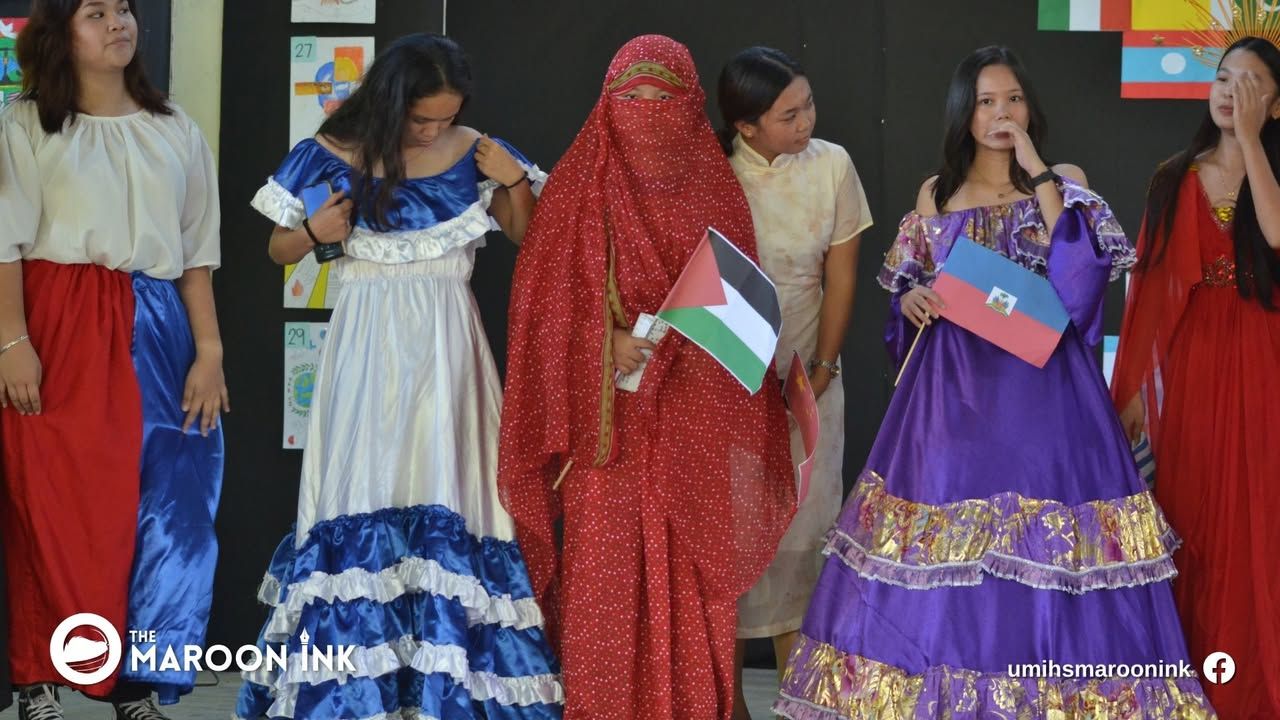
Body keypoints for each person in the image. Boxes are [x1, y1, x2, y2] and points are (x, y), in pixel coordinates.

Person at [773, 46, 1216, 719]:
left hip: (1047, 395)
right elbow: (908, 296)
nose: (1000, 112)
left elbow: (1083, 279)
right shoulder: (936, 194)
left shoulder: (1061, 179)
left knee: (1045, 542)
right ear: (964, 113)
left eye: (1012, 99)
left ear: (1030, 108)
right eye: (985, 101)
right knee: (957, 549)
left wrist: (1037, 168)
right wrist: (913, 299)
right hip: (953, 400)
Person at [233, 33, 563, 720]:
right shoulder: (331, 151)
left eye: (445, 116)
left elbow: (530, 238)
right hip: (365, 354)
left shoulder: (477, 151)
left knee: (450, 488)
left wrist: (511, 181)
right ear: (390, 101)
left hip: (449, 353)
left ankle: (447, 690)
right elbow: (275, 247)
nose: (435, 130)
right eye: (421, 119)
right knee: (363, 489)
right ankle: (358, 693)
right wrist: (318, 232)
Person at [498, 35, 796, 720]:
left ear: (691, 106)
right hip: (608, 425)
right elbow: (538, 313)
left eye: (664, 100)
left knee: (692, 579)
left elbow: (742, 316)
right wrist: (601, 343)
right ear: (608, 106)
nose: (648, 113)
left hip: (696, 416)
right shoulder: (579, 188)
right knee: (606, 579)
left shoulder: (717, 191)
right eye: (632, 100)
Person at [0, 0, 227, 718]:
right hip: (59, 318)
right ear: (60, 33)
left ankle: (135, 679)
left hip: (159, 324)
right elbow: (4, 243)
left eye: (124, 9)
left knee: (166, 505)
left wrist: (211, 351)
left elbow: (196, 255)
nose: (119, 22)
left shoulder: (174, 128)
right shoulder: (27, 123)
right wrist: (13, 342)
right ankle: (38, 673)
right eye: (95, 12)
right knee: (56, 502)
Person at [1111, 35, 1280, 718]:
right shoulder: (1172, 178)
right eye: (1223, 76)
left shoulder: (1270, 175)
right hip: (1198, 373)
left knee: (1262, 520)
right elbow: (1147, 296)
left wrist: (1251, 143)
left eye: (1250, 81)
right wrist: (1131, 397)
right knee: (1197, 523)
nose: (1230, 89)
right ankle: (1199, 686)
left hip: (1267, 360)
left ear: (1274, 102)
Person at [715, 46, 871, 720]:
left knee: (806, 537)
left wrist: (825, 364)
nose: (806, 121)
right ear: (746, 127)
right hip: (730, 388)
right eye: (788, 115)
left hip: (811, 380)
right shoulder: (716, 178)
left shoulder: (832, 165)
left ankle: (800, 700)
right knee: (737, 539)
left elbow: (841, 274)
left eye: (807, 104)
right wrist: (745, 380)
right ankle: (728, 702)